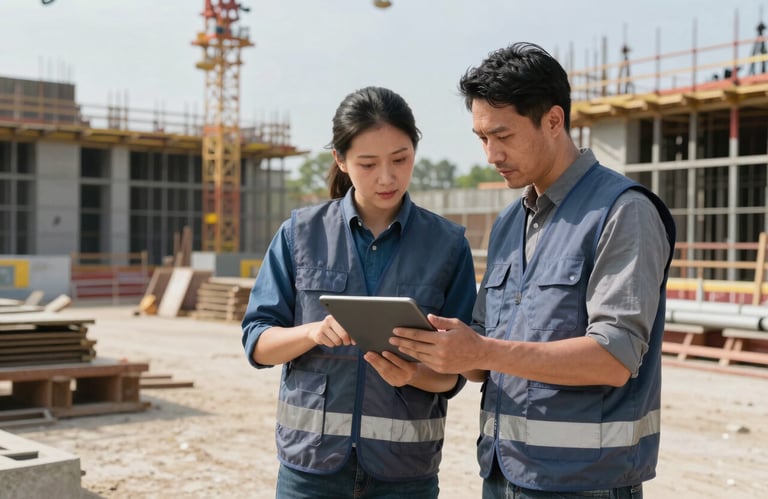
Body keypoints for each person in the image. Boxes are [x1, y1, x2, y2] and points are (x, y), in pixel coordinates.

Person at [390, 42, 676, 498]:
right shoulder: (509, 224)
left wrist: (481, 351)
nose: (490, 154)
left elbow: (614, 357)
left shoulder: (622, 212)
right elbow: (484, 355)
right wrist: (431, 349)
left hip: (586, 484)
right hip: (504, 476)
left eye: (503, 136)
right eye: (481, 138)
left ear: (554, 121)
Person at [241, 86, 477, 499]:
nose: (387, 177)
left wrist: (417, 375)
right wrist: (311, 333)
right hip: (311, 468)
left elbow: (458, 371)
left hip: (405, 472)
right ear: (340, 160)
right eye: (368, 164)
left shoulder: (448, 244)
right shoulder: (299, 234)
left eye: (400, 160)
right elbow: (257, 343)